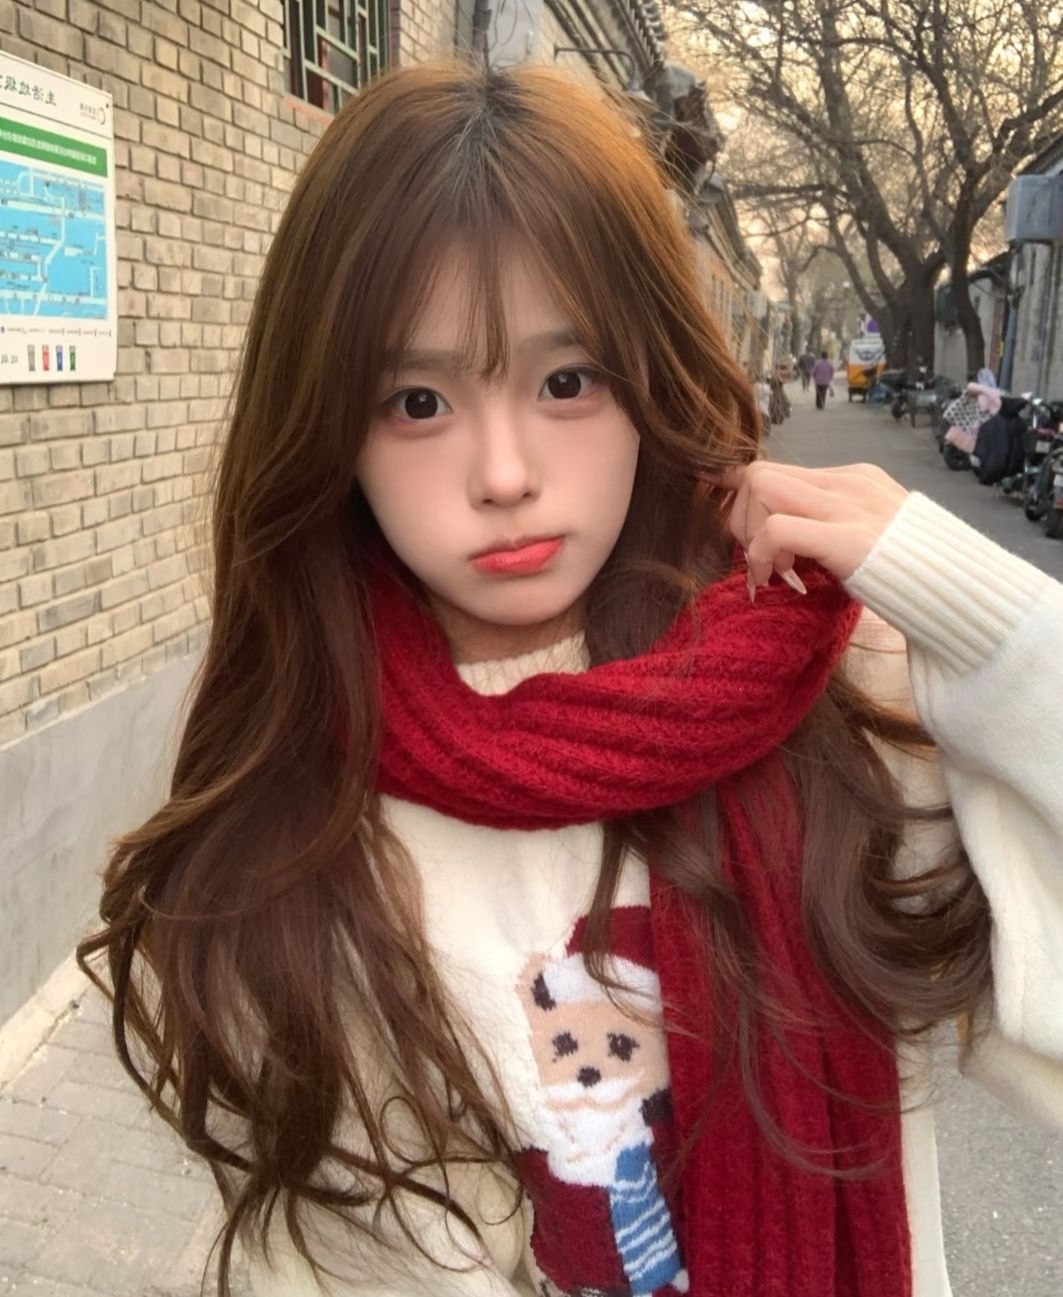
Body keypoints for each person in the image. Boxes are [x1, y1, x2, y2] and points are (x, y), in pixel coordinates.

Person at [77, 61, 1063, 1297]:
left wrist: (993, 623)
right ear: (327, 426)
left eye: (565, 381)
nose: (503, 473)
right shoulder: (314, 829)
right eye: (418, 399)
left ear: (648, 378)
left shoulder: (837, 698)